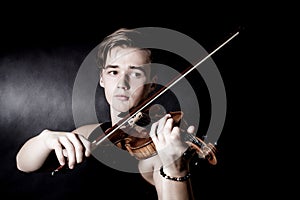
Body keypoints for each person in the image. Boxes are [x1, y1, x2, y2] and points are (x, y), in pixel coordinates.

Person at [16, 28, 198, 200]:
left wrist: (176, 170)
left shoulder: (157, 152)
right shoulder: (91, 133)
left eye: (135, 74)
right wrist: (45, 139)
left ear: (151, 84)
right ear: (102, 78)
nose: (122, 83)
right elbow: (23, 164)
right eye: (113, 71)